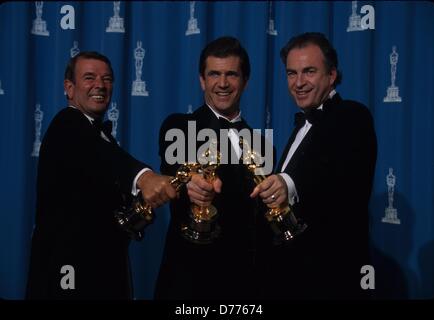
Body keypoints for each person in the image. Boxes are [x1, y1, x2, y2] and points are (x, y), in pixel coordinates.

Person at [26, 51, 177, 299]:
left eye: (107, 79)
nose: (100, 85)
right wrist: (145, 178)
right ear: (69, 88)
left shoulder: (103, 138)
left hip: (104, 274)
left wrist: (140, 210)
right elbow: (98, 154)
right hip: (69, 275)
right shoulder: (67, 123)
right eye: (89, 78)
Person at [251, 32, 377, 299]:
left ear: (331, 75)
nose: (298, 82)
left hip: (331, 279)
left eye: (309, 71)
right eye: (291, 73)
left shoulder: (351, 117)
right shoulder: (301, 126)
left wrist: (287, 183)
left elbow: (331, 167)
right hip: (290, 277)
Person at [154, 36, 274, 300]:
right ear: (202, 80)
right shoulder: (180, 126)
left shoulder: (263, 145)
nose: (222, 83)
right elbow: (174, 170)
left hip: (244, 285)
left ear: (245, 80)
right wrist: (190, 184)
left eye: (231, 74)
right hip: (188, 281)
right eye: (214, 74)